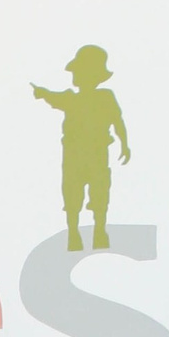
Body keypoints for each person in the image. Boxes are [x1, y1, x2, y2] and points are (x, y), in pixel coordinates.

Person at [31, 43, 129, 252]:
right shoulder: (71, 98)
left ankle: (98, 231)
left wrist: (124, 144)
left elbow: (117, 121)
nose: (74, 76)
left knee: (98, 192)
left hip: (94, 153)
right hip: (75, 154)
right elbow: (54, 97)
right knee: (73, 193)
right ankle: (74, 234)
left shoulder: (104, 97)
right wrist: (42, 93)